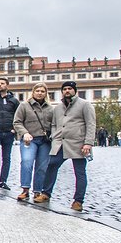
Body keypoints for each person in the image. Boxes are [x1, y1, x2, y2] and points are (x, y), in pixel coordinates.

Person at [34, 81, 96, 212]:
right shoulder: (58, 108)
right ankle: (46, 193)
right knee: (51, 166)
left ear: (75, 90)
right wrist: (55, 136)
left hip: (78, 144)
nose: (67, 91)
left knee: (79, 172)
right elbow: (54, 124)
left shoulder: (85, 105)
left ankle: (78, 201)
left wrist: (88, 143)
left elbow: (91, 124)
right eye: (64, 89)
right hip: (60, 143)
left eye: (69, 88)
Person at [12, 84, 54, 203]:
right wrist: (24, 133)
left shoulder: (51, 109)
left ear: (46, 93)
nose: (40, 93)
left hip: (45, 141)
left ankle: (37, 191)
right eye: (37, 91)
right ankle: (25, 190)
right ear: (33, 92)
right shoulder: (24, 106)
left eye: (42, 91)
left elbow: (54, 125)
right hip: (29, 140)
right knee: (27, 162)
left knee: (42, 167)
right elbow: (17, 122)